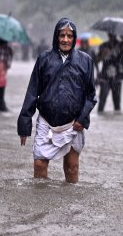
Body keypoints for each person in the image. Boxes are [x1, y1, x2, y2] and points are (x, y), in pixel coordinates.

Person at [17, 18, 97, 183]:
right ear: (56, 37)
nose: (65, 39)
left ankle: (69, 206)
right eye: (62, 35)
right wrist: (24, 123)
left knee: (71, 167)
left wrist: (82, 119)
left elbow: (91, 95)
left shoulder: (85, 61)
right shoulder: (44, 59)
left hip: (74, 123)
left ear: (74, 39)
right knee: (39, 165)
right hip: (46, 122)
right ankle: (42, 203)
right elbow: (32, 92)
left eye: (69, 36)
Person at [95, 33, 123, 112]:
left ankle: (116, 121)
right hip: (105, 77)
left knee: (117, 102)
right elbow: (96, 60)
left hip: (117, 76)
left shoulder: (121, 44)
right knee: (102, 100)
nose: (112, 36)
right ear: (108, 35)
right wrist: (103, 55)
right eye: (111, 34)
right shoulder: (103, 45)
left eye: (113, 34)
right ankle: (101, 117)